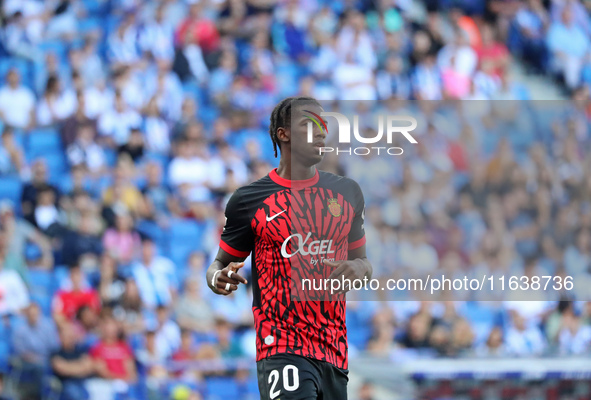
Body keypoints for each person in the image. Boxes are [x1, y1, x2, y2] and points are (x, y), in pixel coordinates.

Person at [206, 97, 371, 399]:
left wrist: (358, 268)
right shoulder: (249, 200)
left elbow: (363, 264)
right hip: (281, 344)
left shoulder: (346, 193)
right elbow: (218, 265)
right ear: (283, 135)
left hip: (333, 347)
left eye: (324, 125)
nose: (321, 132)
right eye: (310, 125)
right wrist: (217, 277)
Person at [50, 323, 94, 400]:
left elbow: (89, 367)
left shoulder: (80, 351)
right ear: (61, 337)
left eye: (71, 336)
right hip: (65, 384)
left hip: (82, 382)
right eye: (67, 336)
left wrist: (69, 367)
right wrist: (79, 366)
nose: (70, 338)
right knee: (75, 394)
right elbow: (61, 369)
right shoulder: (56, 353)